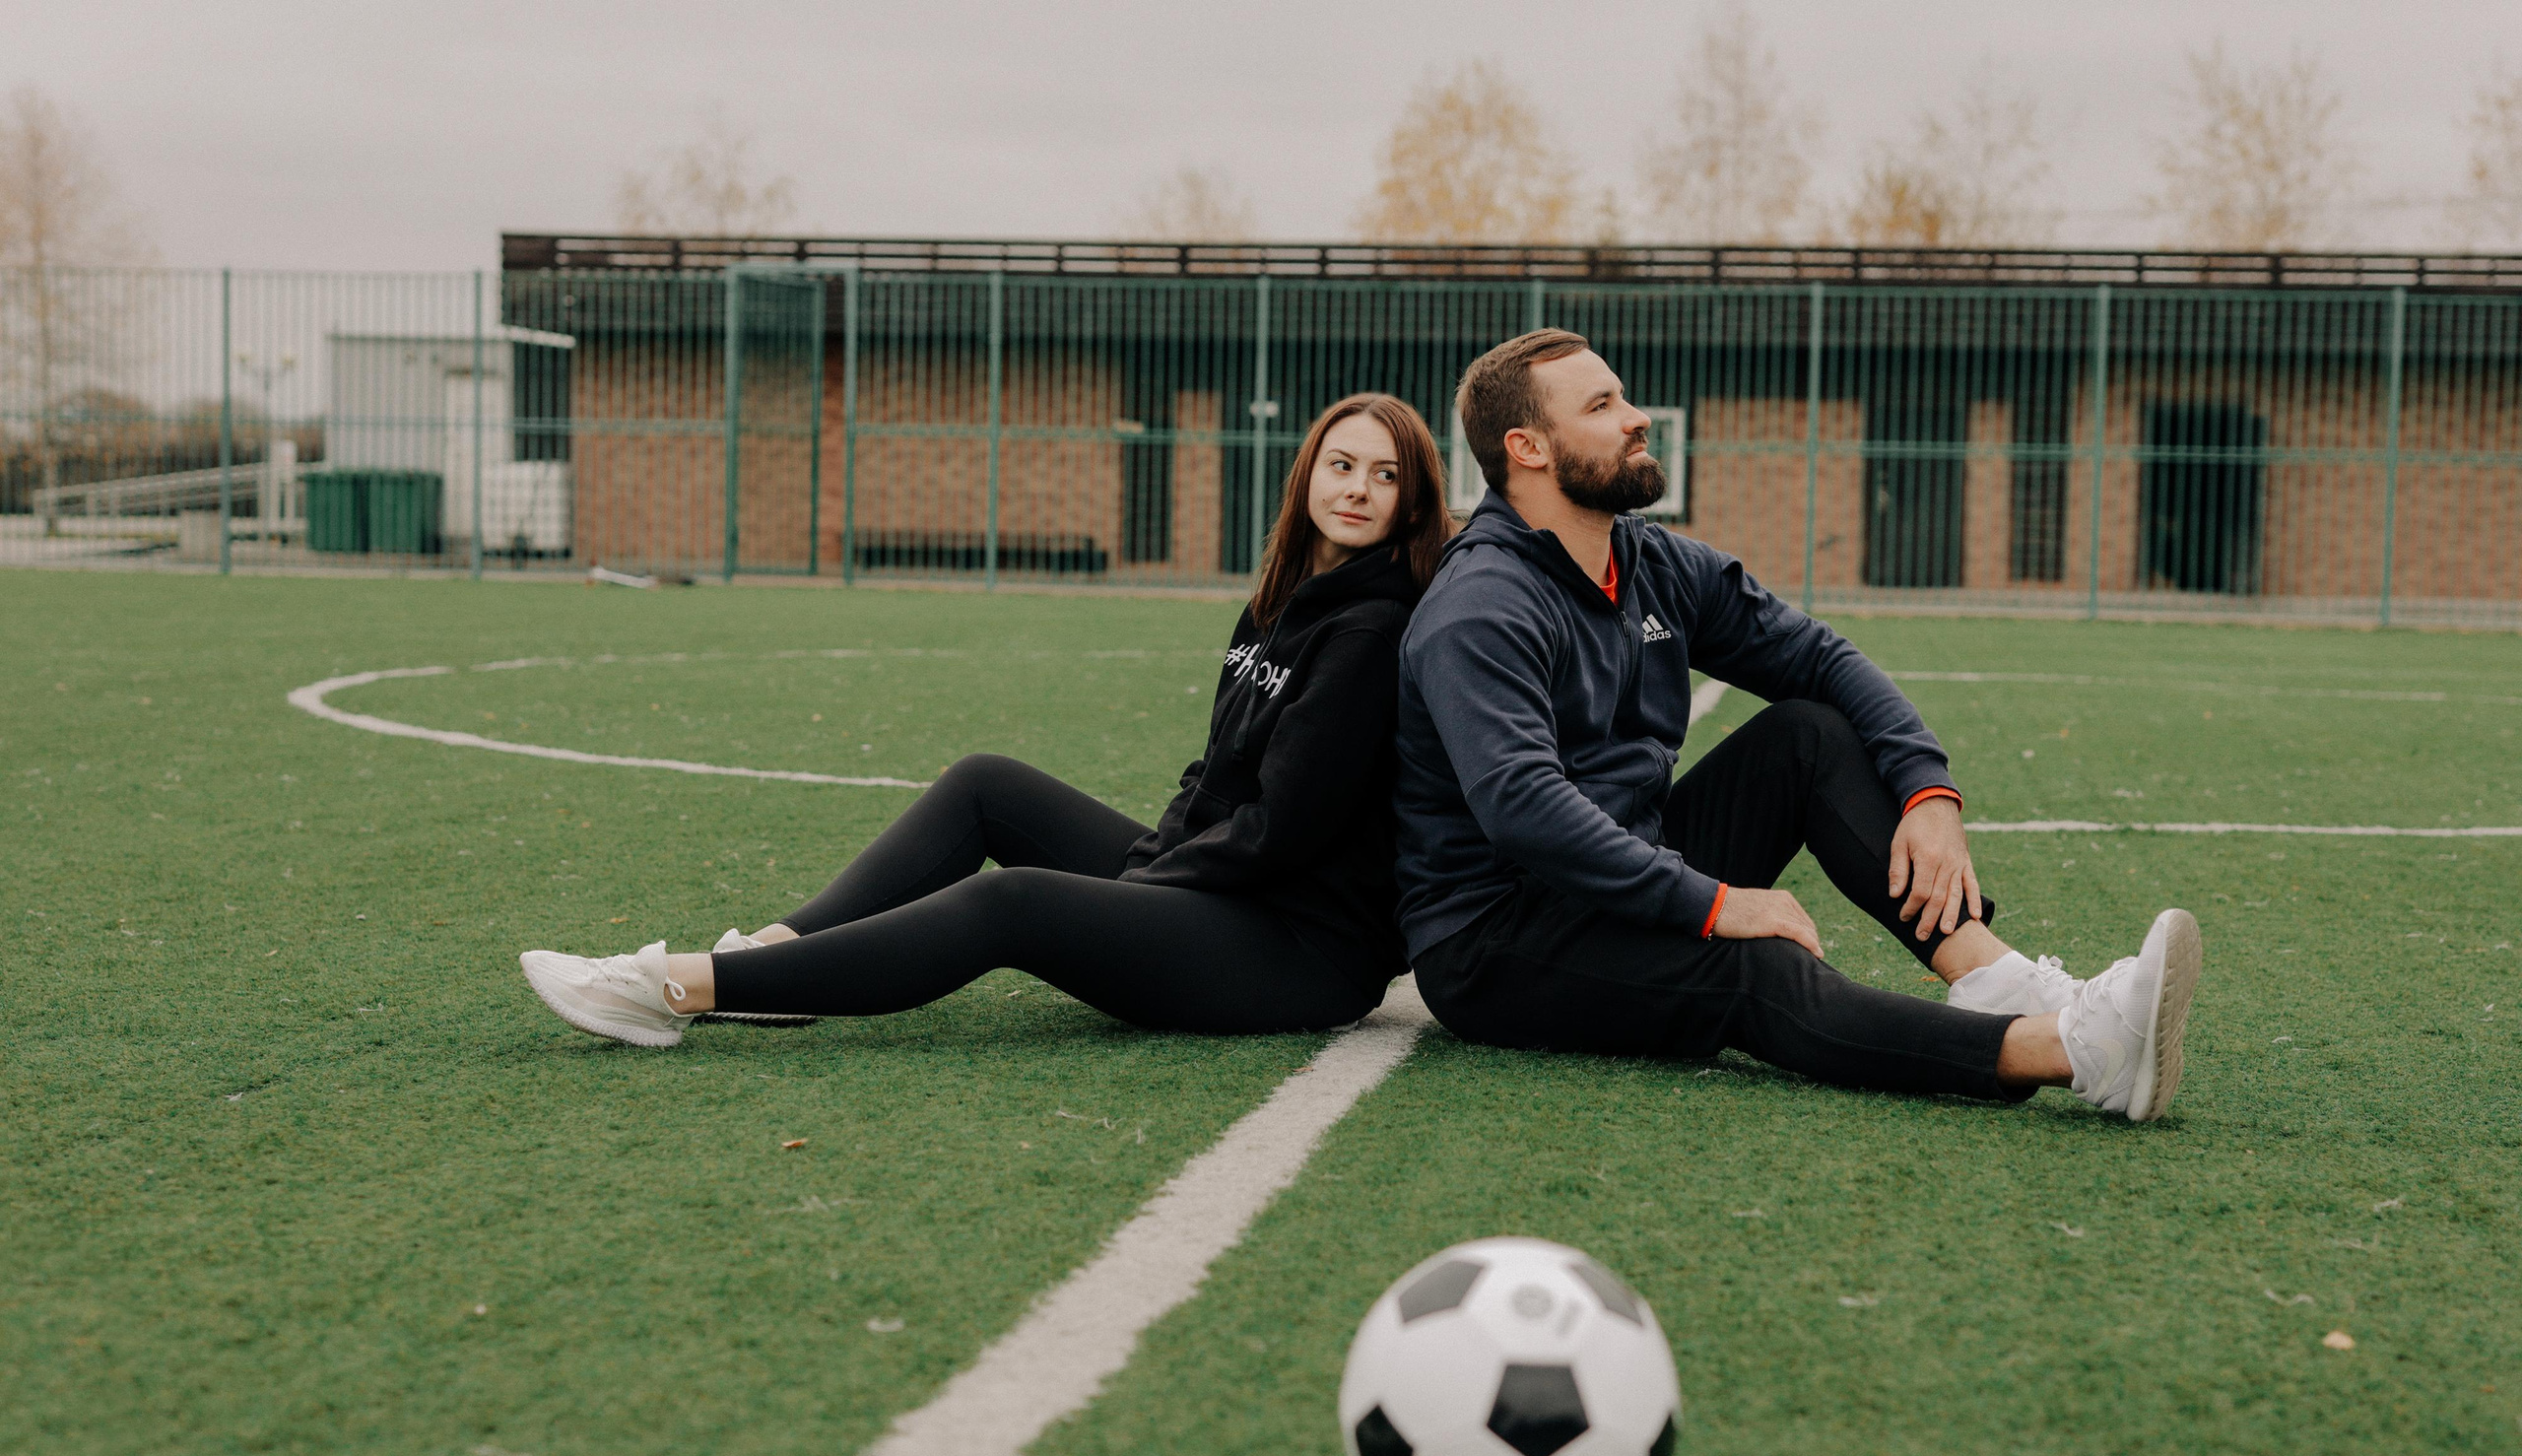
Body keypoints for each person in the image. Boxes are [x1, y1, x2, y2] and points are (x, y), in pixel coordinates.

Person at [1394, 330, 2202, 1119]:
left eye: (1623, 397)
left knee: (1806, 736)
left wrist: (1928, 790)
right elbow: (1524, 807)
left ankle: (1995, 977)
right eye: (1602, 405)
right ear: (1528, 448)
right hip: (1499, 935)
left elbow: (1820, 658)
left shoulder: (1649, 561)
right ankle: (2071, 1051)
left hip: (1626, 867)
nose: (1637, 417)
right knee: (1754, 965)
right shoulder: (1483, 603)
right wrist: (1716, 903)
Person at [518, 393, 1453, 1048]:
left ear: (1411, 500)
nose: (1357, 488)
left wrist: (1153, 879)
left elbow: (1284, 827)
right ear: (1308, 472)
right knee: (986, 784)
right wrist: (1156, 857)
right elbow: (1212, 775)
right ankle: (774, 955)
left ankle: (677, 988)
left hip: (1296, 947)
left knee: (1015, 903)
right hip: (1225, 889)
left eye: (1384, 475)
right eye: (1342, 465)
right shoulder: (1279, 602)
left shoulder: (1370, 632)